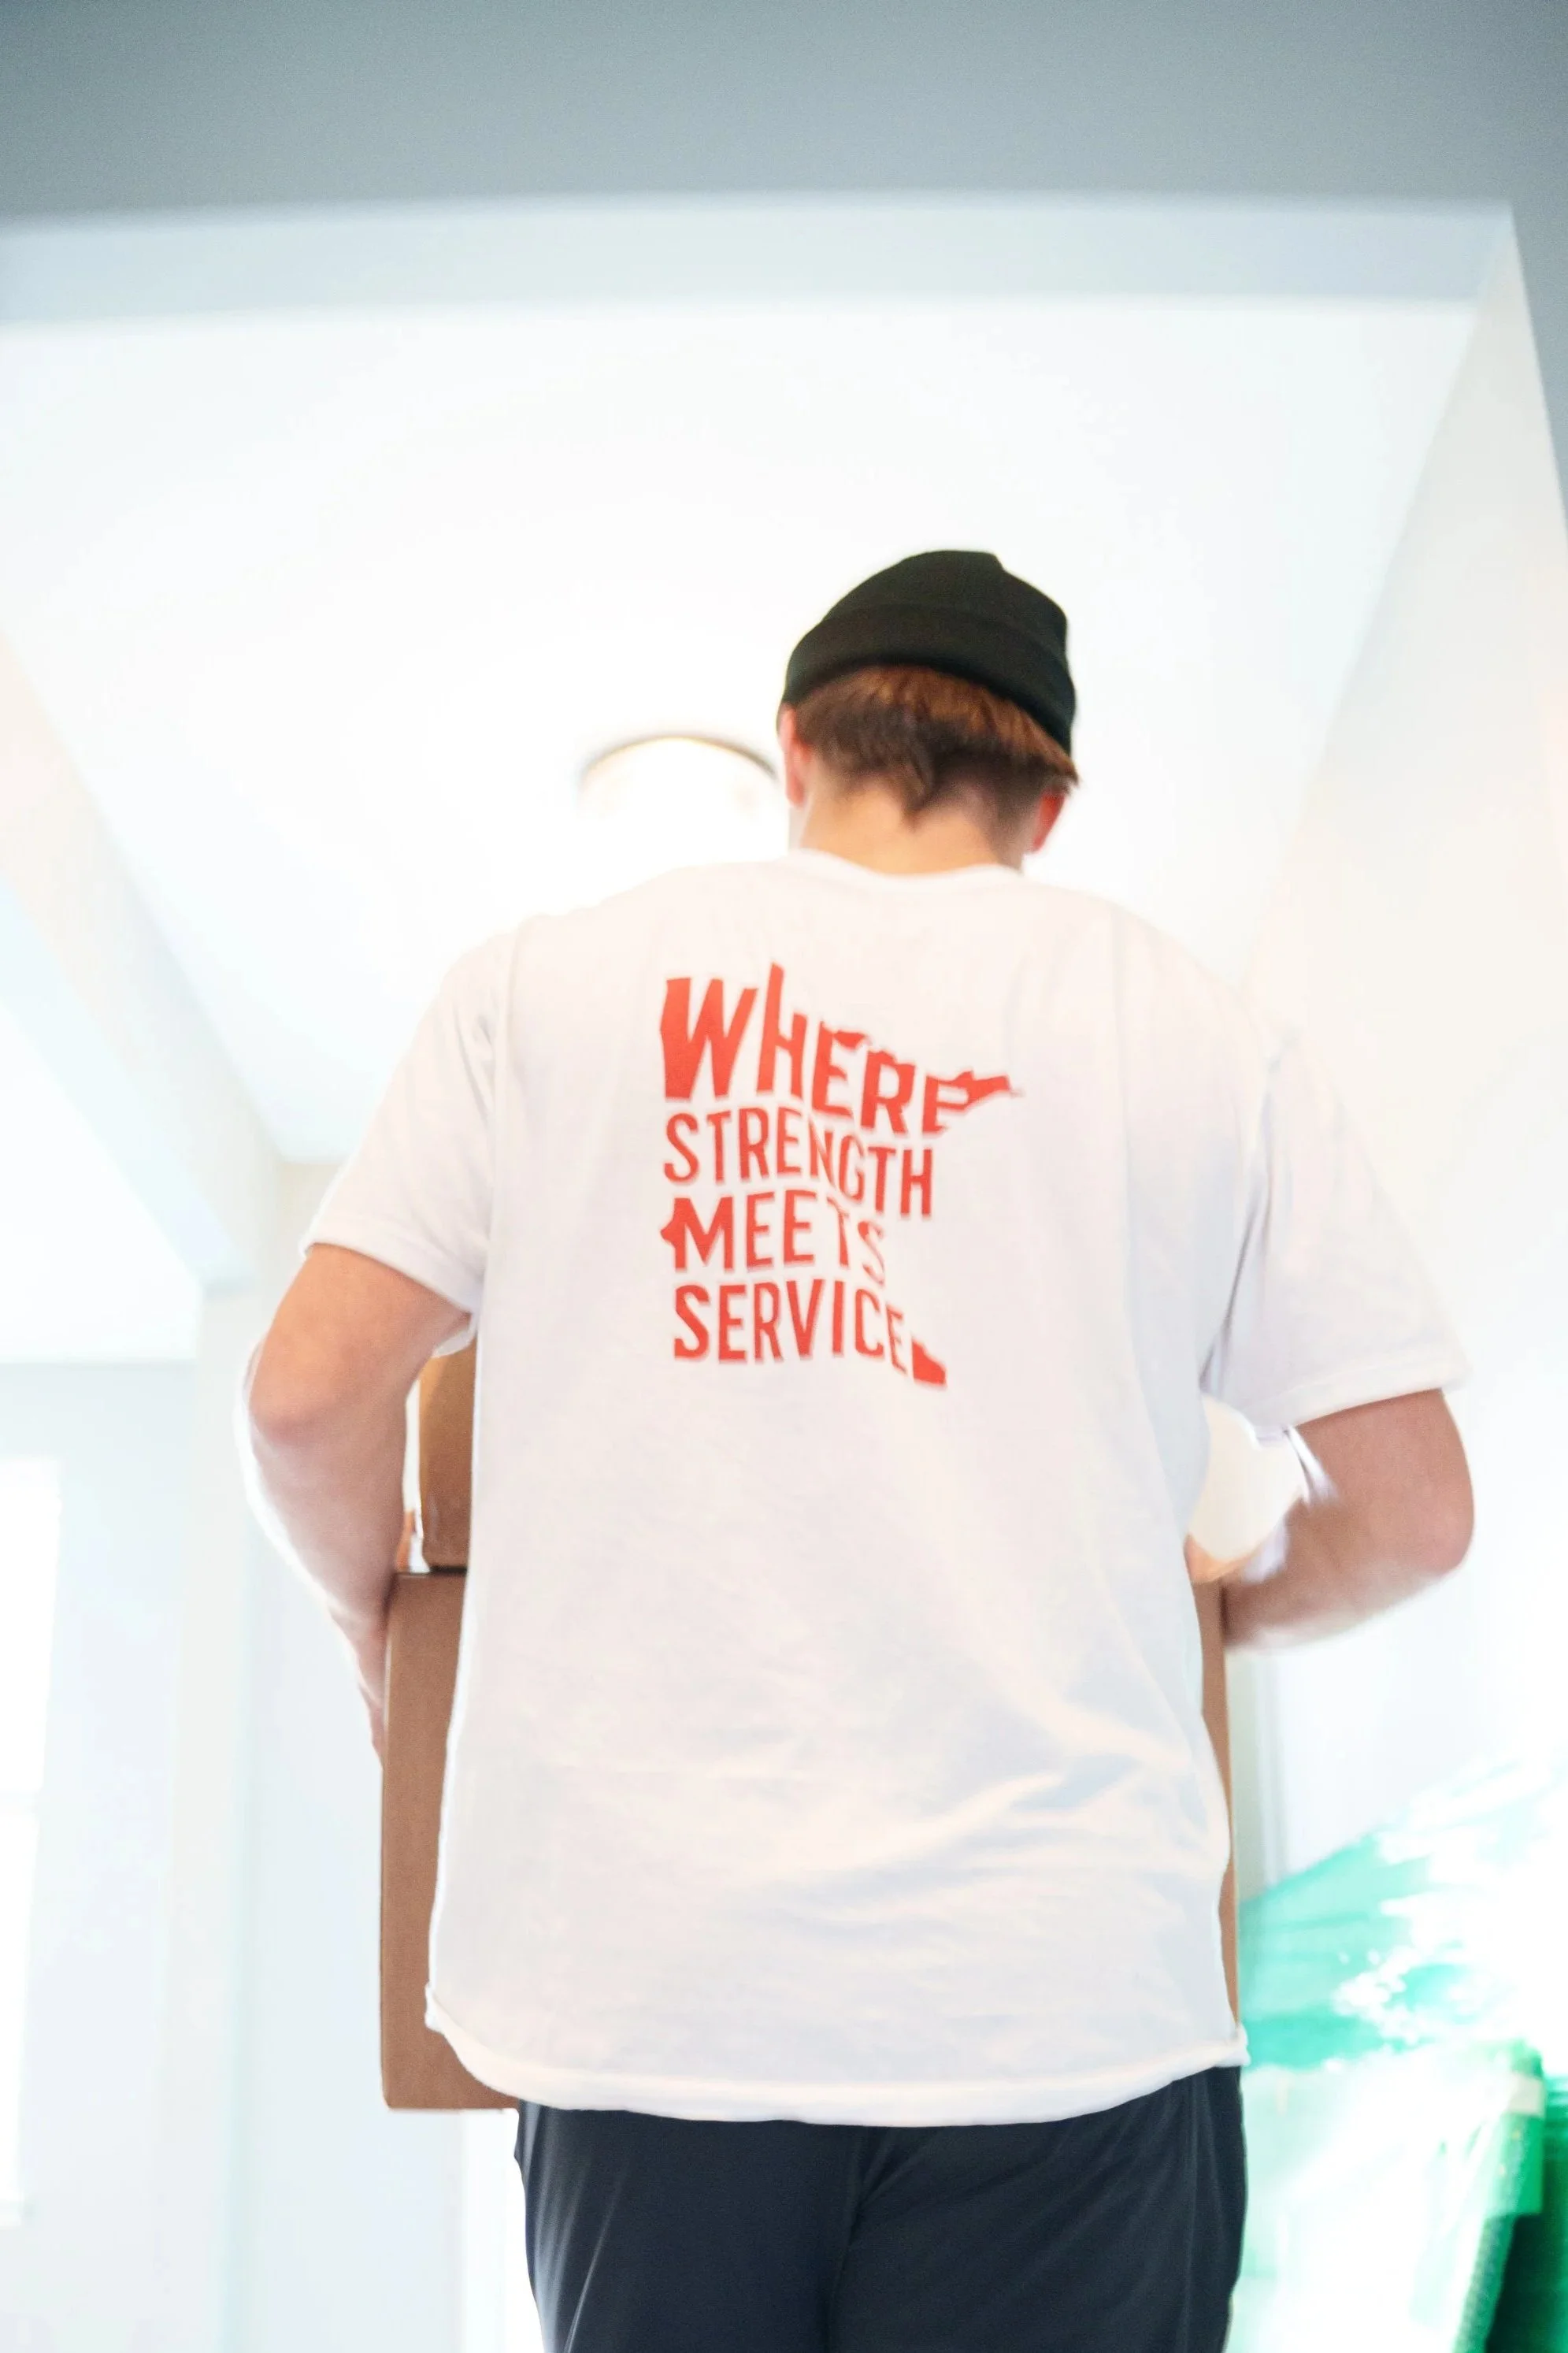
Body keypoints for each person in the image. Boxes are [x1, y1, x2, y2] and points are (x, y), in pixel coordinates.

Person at [245, 550, 1473, 2353]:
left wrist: (378, 1627)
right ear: (1043, 804)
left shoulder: (543, 987)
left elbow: (301, 1395)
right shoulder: (1194, 1030)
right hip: (1067, 2011)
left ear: (796, 747)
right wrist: (1238, 1603)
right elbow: (1414, 1508)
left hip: (650, 2004)